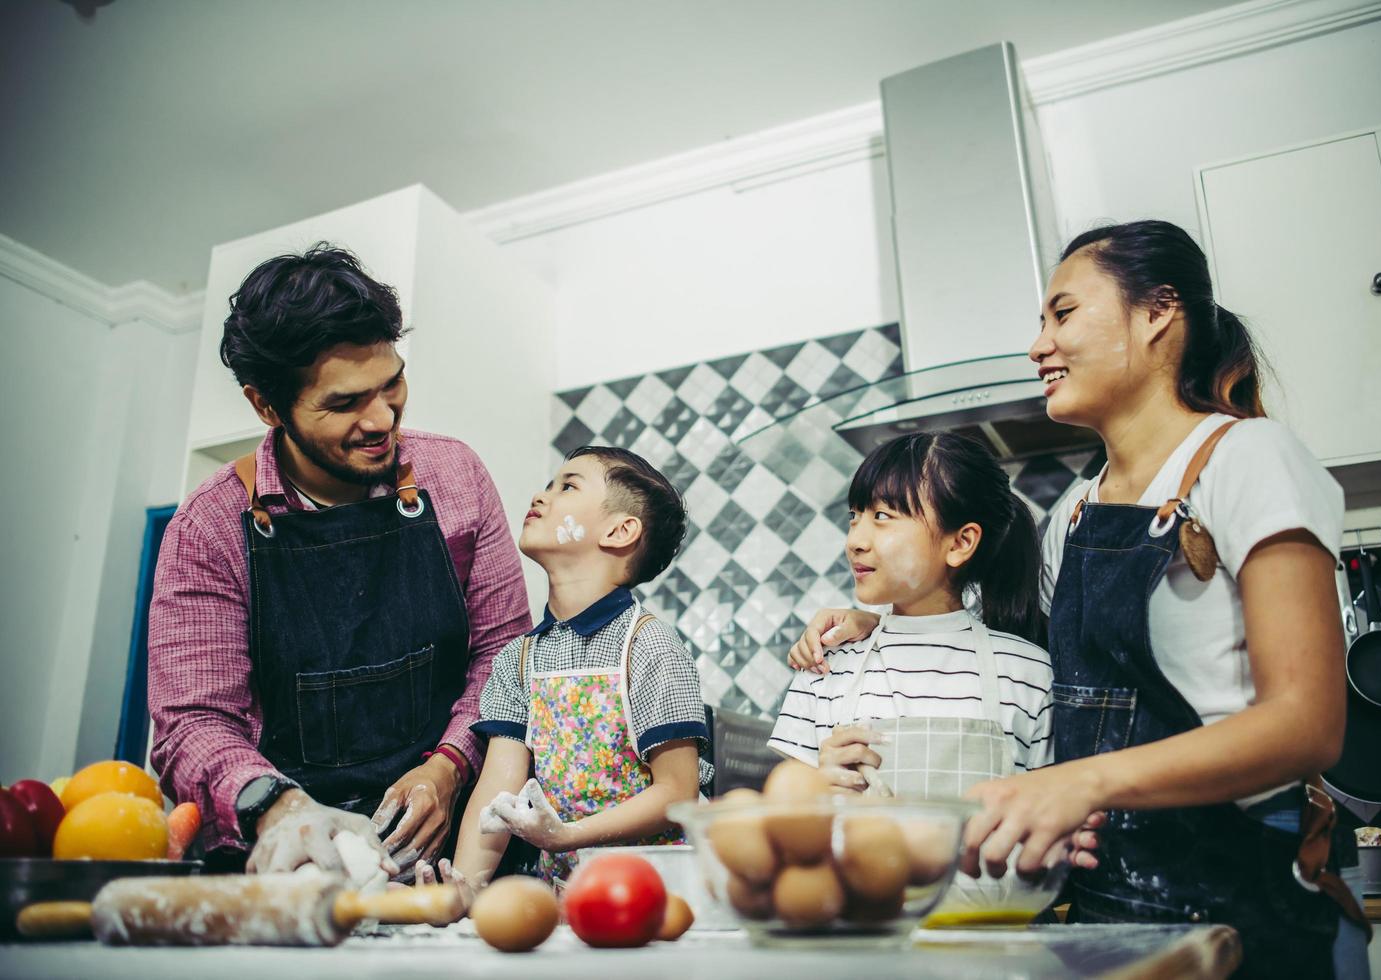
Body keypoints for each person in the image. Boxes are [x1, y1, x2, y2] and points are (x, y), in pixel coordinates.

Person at [789, 221, 1367, 978]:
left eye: (1061, 314)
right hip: (1111, 907)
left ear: (1158, 311)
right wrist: (879, 622)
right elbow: (1063, 681)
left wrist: (1078, 782)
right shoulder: (1075, 513)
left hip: (1247, 891)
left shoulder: (1250, 458)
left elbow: (1306, 726)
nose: (1037, 346)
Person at [148, 245, 531, 878]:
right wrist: (280, 809)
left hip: (449, 855)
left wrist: (450, 765)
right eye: (344, 403)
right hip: (288, 866)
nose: (382, 419)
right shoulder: (209, 527)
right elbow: (193, 722)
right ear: (267, 406)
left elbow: (504, 656)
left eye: (392, 384)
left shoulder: (456, 477)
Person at [420, 446, 708, 905]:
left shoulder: (649, 644)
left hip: (658, 894)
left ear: (619, 530)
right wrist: (464, 890)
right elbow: (499, 792)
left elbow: (677, 792)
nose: (542, 495)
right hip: (567, 898)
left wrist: (568, 835)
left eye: (568, 486)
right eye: (550, 483)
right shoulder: (519, 658)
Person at [767, 432, 1053, 798]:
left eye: (882, 516)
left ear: (961, 542)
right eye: (855, 516)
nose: (855, 540)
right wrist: (816, 791)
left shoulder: (1027, 674)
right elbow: (783, 823)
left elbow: (1053, 821)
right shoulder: (826, 666)